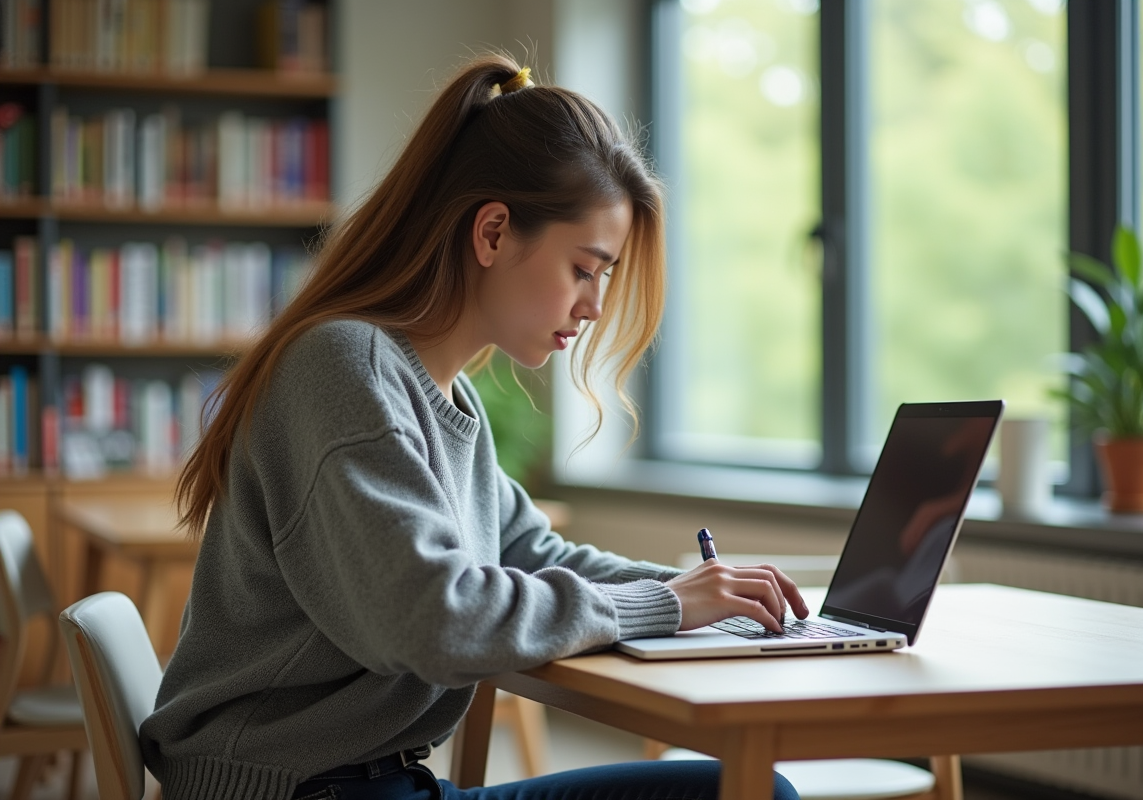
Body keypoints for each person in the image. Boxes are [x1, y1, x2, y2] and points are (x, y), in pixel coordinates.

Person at [142, 54, 807, 800]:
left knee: (737, 789)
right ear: (492, 232)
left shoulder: (442, 398)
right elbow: (434, 620)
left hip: (360, 785)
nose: (593, 307)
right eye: (585, 269)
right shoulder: (344, 365)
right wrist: (670, 605)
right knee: (746, 794)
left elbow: (531, 551)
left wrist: (700, 592)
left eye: (606, 279)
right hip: (300, 791)